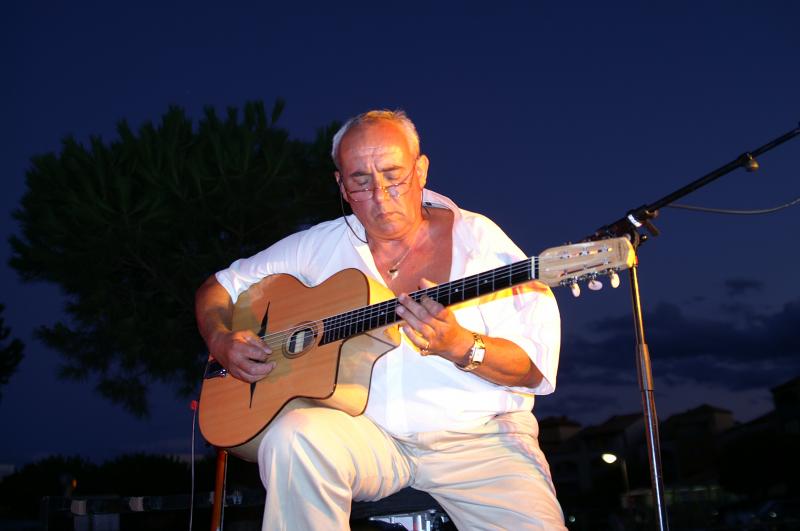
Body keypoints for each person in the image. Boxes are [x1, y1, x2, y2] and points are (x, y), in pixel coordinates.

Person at [195, 110, 566, 530]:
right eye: (361, 181)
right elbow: (218, 286)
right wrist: (221, 339)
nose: (380, 194)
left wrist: (461, 346)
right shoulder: (318, 245)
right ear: (341, 185)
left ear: (421, 169)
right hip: (369, 437)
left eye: (393, 175)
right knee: (294, 435)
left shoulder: (481, 242)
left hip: (479, 442)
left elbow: (533, 369)